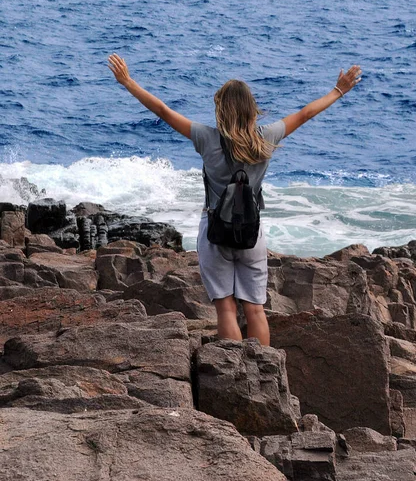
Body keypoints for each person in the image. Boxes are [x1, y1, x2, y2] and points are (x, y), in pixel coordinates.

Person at [108, 54, 362, 345]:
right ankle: (264, 370)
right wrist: (338, 90)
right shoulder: (267, 137)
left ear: (221, 110)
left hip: (215, 231)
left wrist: (128, 82)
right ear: (251, 110)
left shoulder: (206, 138)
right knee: (255, 309)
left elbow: (164, 111)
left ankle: (234, 372)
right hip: (252, 234)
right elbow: (305, 114)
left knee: (225, 306)